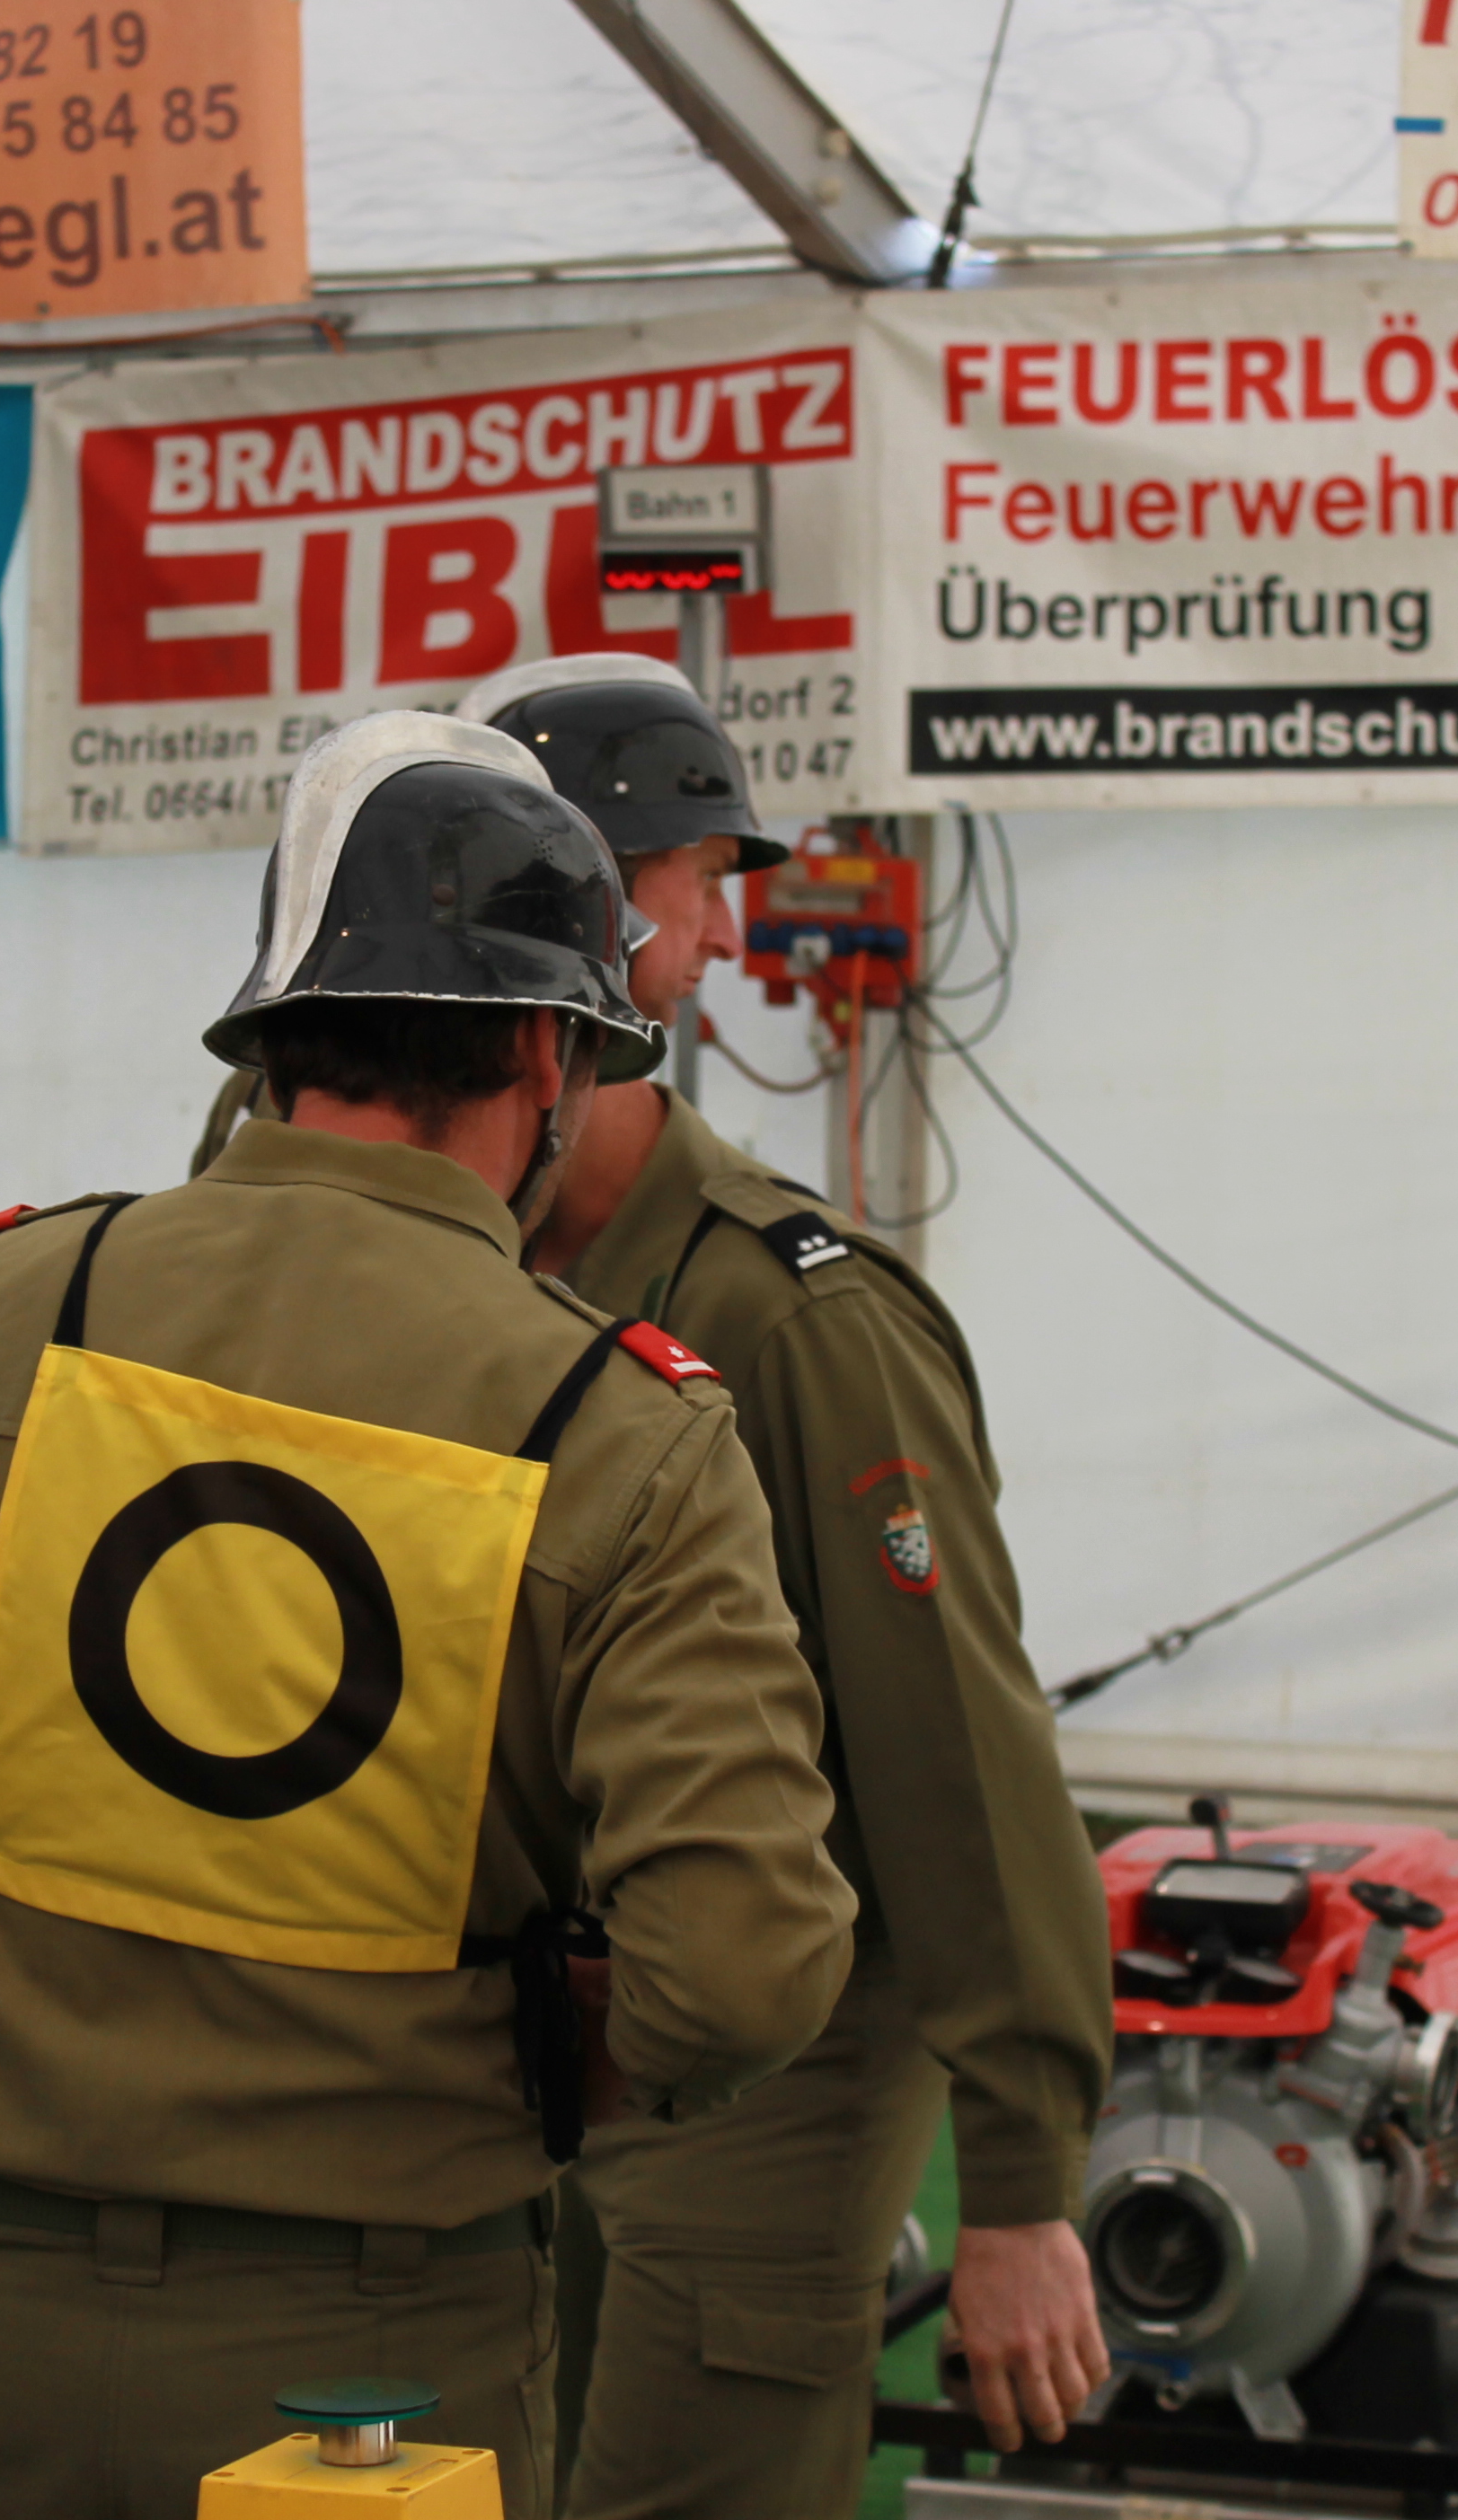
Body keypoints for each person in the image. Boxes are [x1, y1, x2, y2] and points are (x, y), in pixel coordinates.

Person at [0, 709, 860, 2520]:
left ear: (273, 1036)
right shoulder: (623, 1433)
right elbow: (745, 1968)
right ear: (549, 1052)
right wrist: (556, 2042)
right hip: (375, 2370)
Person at [431, 656, 1114, 2516]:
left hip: (760, 2071)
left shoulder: (793, 1318)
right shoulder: (424, 1272)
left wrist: (1024, 2186)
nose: (726, 935)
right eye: (699, 881)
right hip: (499, 2026)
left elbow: (957, 1757)